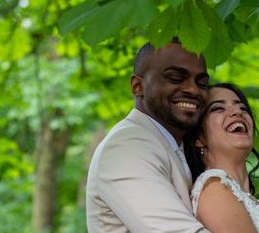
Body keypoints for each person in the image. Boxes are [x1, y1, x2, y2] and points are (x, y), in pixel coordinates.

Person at [86, 40, 211, 232]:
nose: (193, 90)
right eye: (176, 78)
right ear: (137, 86)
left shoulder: (177, 146)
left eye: (202, 83)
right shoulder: (126, 147)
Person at [185, 83, 259, 233]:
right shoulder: (214, 187)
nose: (237, 112)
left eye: (243, 108)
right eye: (218, 108)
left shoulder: (251, 200)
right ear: (198, 138)